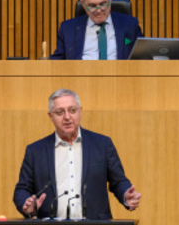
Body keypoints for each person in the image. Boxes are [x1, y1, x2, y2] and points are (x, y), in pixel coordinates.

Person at [13, 89, 141, 220]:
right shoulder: (35, 151)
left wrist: (126, 194)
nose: (67, 117)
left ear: (80, 111)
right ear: (50, 116)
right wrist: (26, 204)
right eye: (60, 112)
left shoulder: (102, 144)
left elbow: (118, 181)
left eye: (72, 110)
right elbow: (22, 189)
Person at [50, 0, 142, 60]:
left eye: (103, 4)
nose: (99, 11)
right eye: (92, 6)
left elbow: (144, 57)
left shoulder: (130, 25)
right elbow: (57, 62)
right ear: (83, 4)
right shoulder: (68, 29)